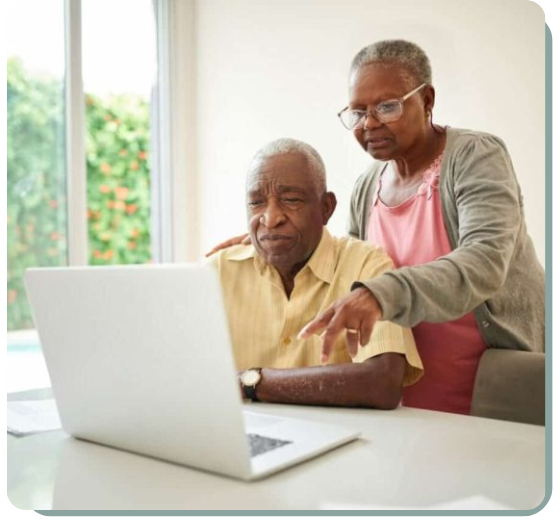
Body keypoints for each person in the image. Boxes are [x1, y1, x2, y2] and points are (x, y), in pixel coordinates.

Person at [208, 40, 545, 416]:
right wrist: (272, 238)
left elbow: (485, 260)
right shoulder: (369, 186)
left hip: (490, 382)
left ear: (427, 100)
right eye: (358, 112)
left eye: (387, 106)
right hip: (411, 390)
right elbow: (341, 266)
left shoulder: (474, 157)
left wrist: (380, 294)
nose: (370, 123)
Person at [207, 138, 423, 409]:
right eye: (257, 203)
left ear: (326, 208)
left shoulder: (366, 265)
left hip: (341, 441)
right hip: (239, 438)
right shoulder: (217, 271)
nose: (270, 218)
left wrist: (253, 382)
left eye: (291, 200)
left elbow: (382, 383)